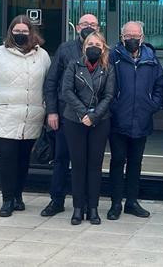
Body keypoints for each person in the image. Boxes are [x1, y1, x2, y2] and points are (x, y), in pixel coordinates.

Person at [0, 15, 51, 217]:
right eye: (16, 31)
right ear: (11, 32)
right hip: (3, 116)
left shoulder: (42, 56)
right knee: (7, 159)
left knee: (23, 160)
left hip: (31, 118)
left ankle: (18, 196)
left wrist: (46, 109)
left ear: (31, 33)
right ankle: (7, 199)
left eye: (24, 31)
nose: (20, 35)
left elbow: (48, 85)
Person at [42, 14, 100, 217]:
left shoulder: (103, 51)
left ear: (98, 28)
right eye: (85, 24)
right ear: (77, 28)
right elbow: (51, 82)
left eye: (93, 24)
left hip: (94, 119)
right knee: (61, 158)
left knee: (88, 162)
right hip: (66, 115)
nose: (88, 27)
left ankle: (84, 203)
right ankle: (56, 200)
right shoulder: (65, 50)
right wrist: (52, 111)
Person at [107, 20, 163, 220]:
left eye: (135, 36)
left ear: (142, 37)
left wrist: (153, 105)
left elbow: (160, 85)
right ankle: (115, 203)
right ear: (122, 37)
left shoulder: (151, 59)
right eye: (128, 36)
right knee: (116, 161)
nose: (132, 39)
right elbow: (106, 84)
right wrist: (113, 105)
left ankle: (132, 202)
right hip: (118, 120)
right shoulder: (112, 57)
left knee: (136, 162)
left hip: (142, 119)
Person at [60, 30, 116, 226]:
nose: (94, 47)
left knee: (95, 165)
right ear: (84, 47)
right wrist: (83, 113)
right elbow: (66, 90)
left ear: (103, 48)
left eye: (98, 45)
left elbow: (109, 95)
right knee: (78, 165)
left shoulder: (108, 68)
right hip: (74, 120)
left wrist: (93, 116)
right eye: (90, 44)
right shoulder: (73, 65)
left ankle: (93, 208)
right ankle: (77, 208)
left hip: (100, 121)